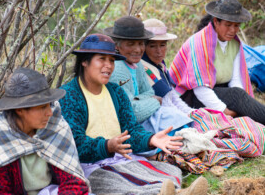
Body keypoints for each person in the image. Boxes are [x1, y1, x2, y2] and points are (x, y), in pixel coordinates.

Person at [59, 33, 208, 195]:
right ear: (84, 62)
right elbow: (76, 145)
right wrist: (108, 145)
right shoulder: (69, 95)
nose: (108, 65)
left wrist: (151, 139)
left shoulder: (116, 92)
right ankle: (171, 192)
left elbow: (132, 130)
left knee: (169, 171)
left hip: (121, 158)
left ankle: (170, 192)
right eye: (102, 59)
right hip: (91, 165)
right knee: (115, 182)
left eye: (111, 60)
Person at [0, 68, 89, 195]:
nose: (50, 112)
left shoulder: (55, 128)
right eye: (42, 107)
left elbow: (74, 182)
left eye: (49, 105)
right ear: (20, 110)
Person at [169, 0, 265, 125]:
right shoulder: (199, 43)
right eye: (228, 25)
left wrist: (240, 107)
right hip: (191, 97)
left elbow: (235, 80)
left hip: (219, 92)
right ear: (216, 22)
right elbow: (200, 89)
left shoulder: (235, 44)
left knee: (240, 99)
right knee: (238, 96)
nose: (232, 30)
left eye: (236, 25)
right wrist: (225, 111)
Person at [106, 16, 194, 156]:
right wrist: (154, 101)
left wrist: (139, 100)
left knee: (175, 120)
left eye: (141, 44)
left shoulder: (137, 65)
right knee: (171, 122)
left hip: (144, 115)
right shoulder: (117, 69)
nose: (137, 49)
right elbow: (132, 112)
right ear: (117, 46)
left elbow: (147, 91)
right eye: (130, 44)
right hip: (128, 127)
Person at [141, 18, 194, 115]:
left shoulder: (160, 65)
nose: (159, 51)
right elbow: (167, 103)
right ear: (143, 47)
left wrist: (191, 113)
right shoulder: (146, 69)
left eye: (162, 45)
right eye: (152, 46)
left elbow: (172, 96)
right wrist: (187, 117)